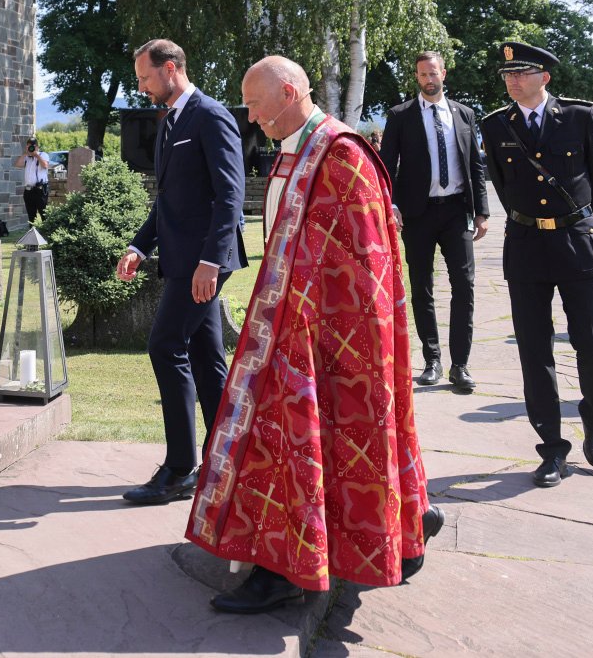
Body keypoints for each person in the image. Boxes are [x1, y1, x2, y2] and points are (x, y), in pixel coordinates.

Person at [187, 56, 439, 614]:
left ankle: (286, 570)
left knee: (303, 447)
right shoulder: (293, 149)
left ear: (289, 92)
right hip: (288, 331)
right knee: (286, 448)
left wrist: (310, 323)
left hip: (328, 338)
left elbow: (367, 264)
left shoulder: (342, 153)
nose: (251, 117)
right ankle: (382, 531)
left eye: (256, 104)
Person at [115, 39, 247, 505]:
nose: (141, 87)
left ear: (170, 68)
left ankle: (178, 469)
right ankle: (225, 460)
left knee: (165, 344)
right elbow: (168, 200)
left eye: (145, 78)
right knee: (207, 359)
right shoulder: (171, 120)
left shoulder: (210, 116)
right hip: (180, 260)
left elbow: (230, 196)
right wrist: (138, 246)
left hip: (204, 262)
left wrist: (211, 261)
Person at [481, 41, 593, 488]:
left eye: (522, 73)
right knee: (534, 352)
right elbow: (503, 184)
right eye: (508, 75)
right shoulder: (495, 125)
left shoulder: (581, 117)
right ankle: (552, 448)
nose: (513, 81)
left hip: (577, 241)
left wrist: (579, 221)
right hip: (526, 246)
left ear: (545, 77)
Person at [379, 51, 489, 391]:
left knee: (464, 286)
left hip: (457, 211)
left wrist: (482, 212)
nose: (429, 79)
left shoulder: (464, 114)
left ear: (444, 73)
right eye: (423, 74)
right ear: (417, 77)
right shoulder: (400, 116)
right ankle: (432, 360)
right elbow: (386, 166)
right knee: (421, 286)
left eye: (433, 73)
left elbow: (476, 166)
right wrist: (390, 204)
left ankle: (460, 365)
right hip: (418, 213)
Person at [14, 137, 50, 222]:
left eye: (32, 146)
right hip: (28, 190)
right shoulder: (26, 157)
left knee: (44, 214)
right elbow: (17, 165)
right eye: (28, 146)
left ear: (37, 146)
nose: (31, 148)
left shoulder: (43, 155)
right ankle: (32, 229)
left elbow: (45, 165)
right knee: (31, 215)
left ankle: (46, 230)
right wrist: (25, 153)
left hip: (40, 190)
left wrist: (36, 155)